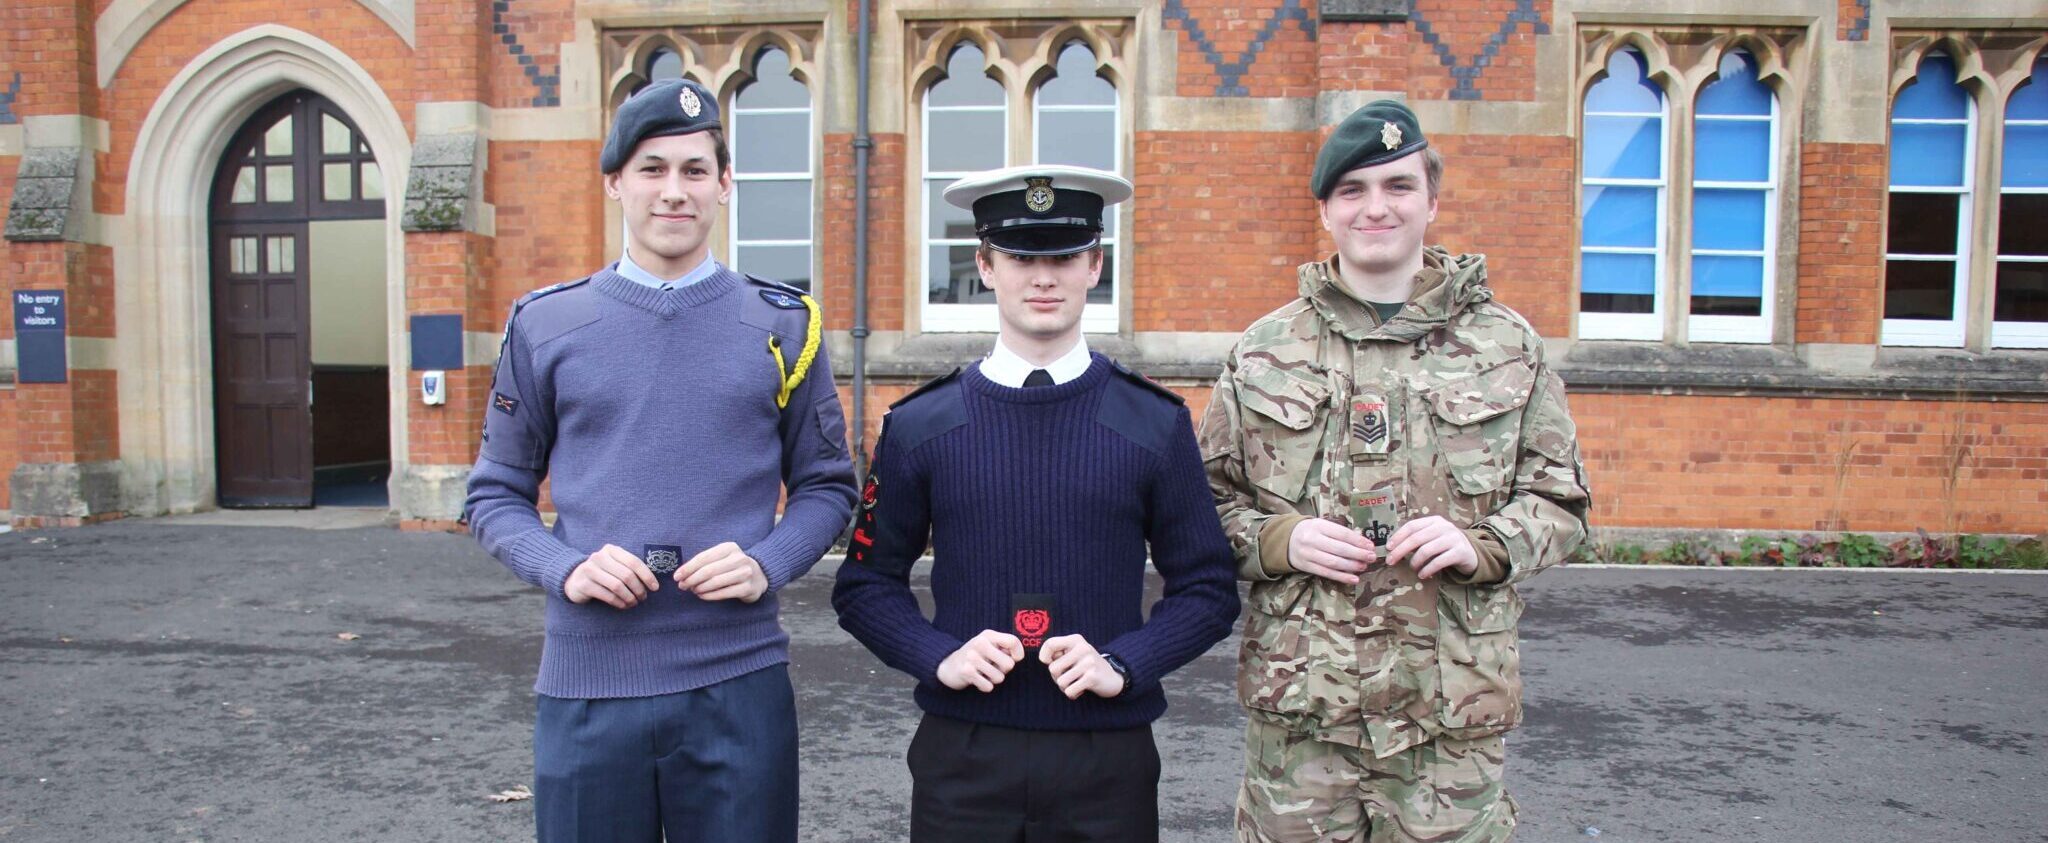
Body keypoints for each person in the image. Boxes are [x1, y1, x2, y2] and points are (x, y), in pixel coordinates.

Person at [463, 78, 857, 843]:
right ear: (615, 181)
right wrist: (564, 567)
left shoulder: (783, 324)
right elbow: (494, 494)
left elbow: (827, 486)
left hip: (738, 683)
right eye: (652, 168)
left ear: (724, 183)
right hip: (588, 687)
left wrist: (768, 561)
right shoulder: (546, 323)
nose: (674, 190)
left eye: (694, 169)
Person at [1197, 100, 1591, 842]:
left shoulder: (1508, 346)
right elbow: (1204, 506)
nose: (1375, 207)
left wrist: (1485, 545)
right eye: (1352, 190)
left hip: (1448, 717)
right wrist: (1281, 540)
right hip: (1304, 716)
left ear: (1432, 201)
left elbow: (1561, 501)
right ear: (1326, 210)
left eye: (1398, 186)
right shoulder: (1263, 349)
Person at [833, 164, 1240, 842]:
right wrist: (936, 655)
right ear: (985, 266)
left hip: (1106, 755)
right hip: (964, 751)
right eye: (1022, 257)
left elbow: (1208, 587)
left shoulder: (1153, 422)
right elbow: (865, 585)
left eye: (1064, 257)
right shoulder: (920, 424)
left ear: (1095, 265)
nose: (1043, 278)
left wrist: (1125, 663)